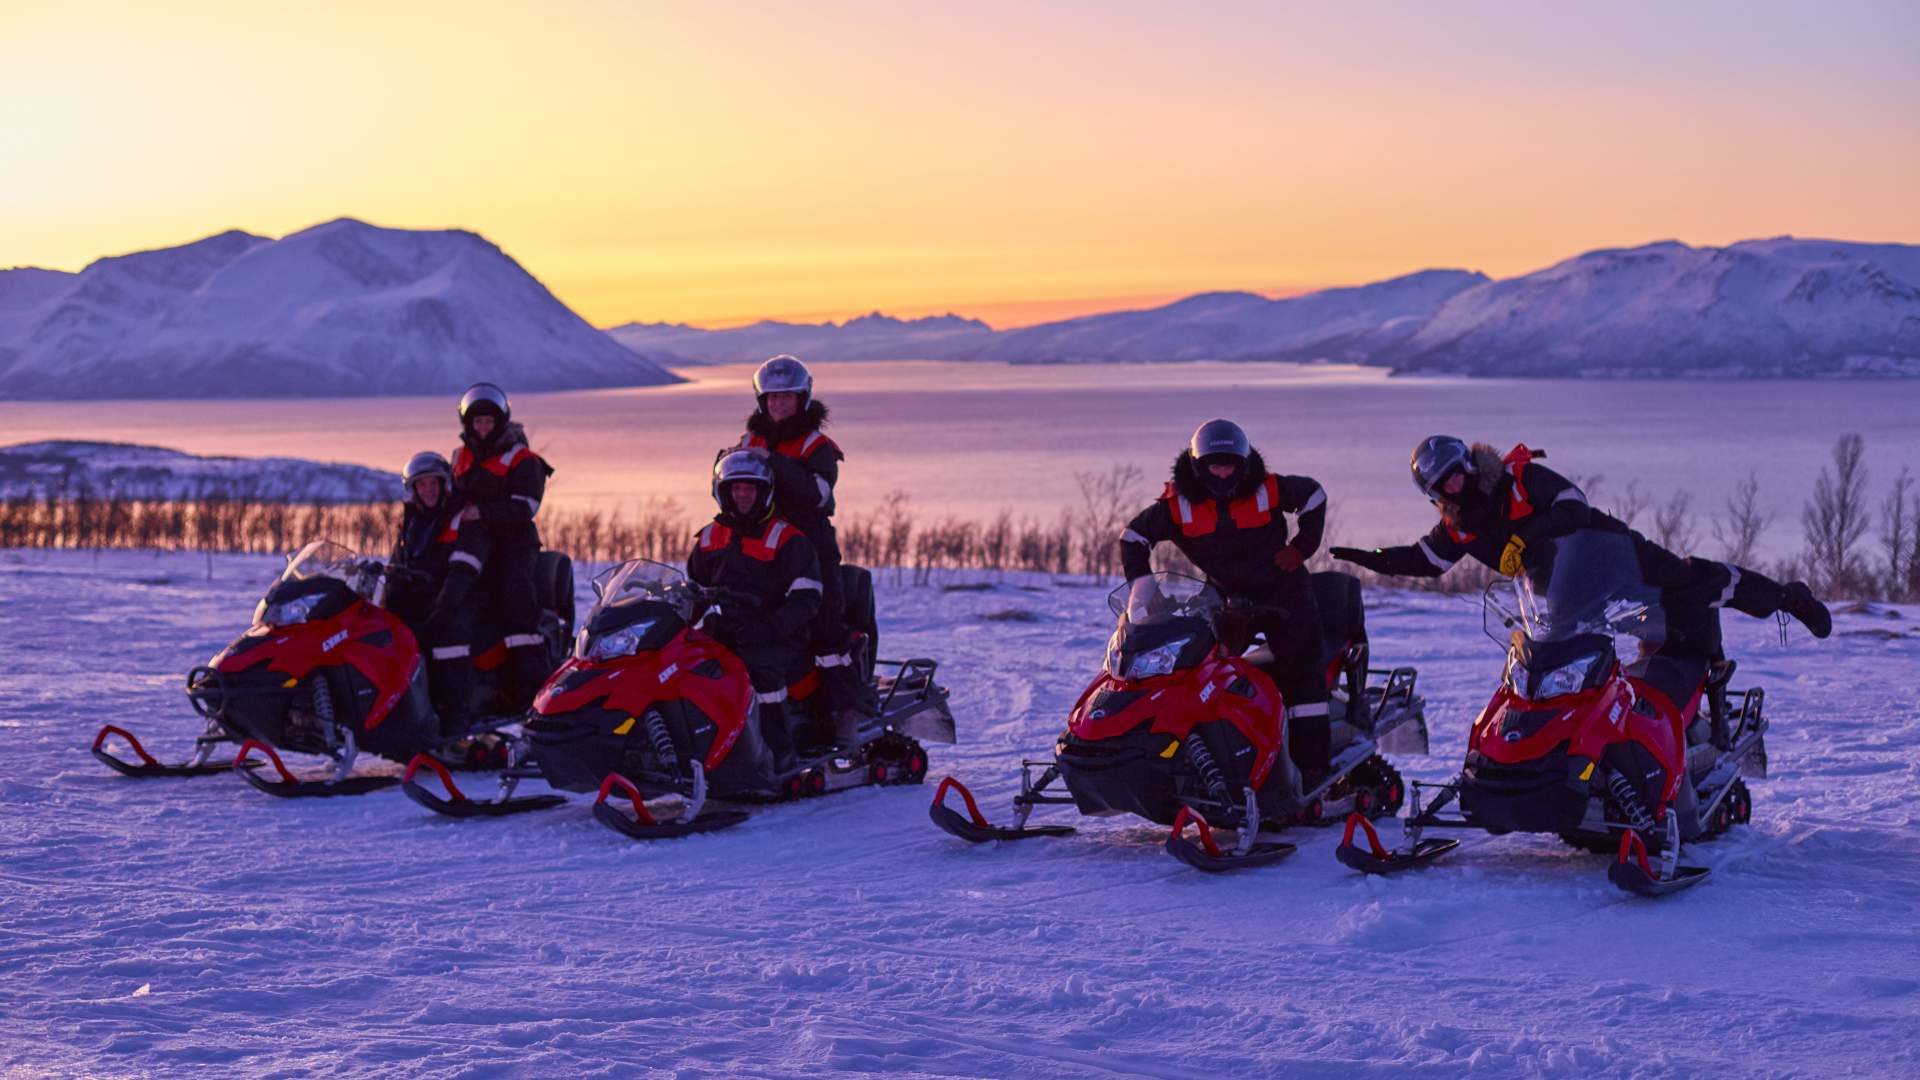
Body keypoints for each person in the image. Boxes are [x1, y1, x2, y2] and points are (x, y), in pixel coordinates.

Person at [1330, 436, 1832, 722]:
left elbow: (1574, 506)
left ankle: (1786, 597)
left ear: (1467, 463)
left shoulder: (1519, 479)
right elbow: (1425, 560)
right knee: (1561, 662)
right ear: (1436, 492)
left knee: (1689, 580)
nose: (1456, 485)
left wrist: (1525, 539)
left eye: (1457, 473)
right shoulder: (1460, 525)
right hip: (1567, 591)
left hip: (1611, 552)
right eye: (1444, 485)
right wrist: (1371, 558)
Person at [1118, 418, 1334, 785]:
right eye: (1215, 466)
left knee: (1303, 673)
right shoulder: (1178, 505)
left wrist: (1301, 548)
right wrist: (1147, 593)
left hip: (1286, 593)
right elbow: (1133, 537)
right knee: (1198, 674)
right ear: (1199, 466)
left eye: (1230, 464)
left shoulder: (1267, 488)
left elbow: (1314, 495)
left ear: (1243, 463)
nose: (1223, 473)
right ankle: (1210, 763)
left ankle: (1314, 772)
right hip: (1226, 601)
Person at [735, 355, 872, 734]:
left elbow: (819, 493)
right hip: (762, 544)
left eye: (786, 397)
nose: (779, 404)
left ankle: (846, 711)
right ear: (762, 401)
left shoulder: (816, 445)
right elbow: (733, 480)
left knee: (826, 628)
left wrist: (775, 464)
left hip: (811, 545)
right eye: (772, 397)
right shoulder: (752, 439)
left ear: (802, 398)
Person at [688, 451, 825, 775]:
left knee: (759, 670)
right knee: (683, 662)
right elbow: (692, 588)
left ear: (763, 492)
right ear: (724, 492)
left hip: (777, 631)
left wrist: (771, 627)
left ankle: (779, 753)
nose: (743, 495)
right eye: (736, 489)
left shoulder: (786, 538)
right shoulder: (709, 537)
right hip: (726, 625)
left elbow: (807, 597)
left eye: (750, 488)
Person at [449, 382, 554, 704]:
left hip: (514, 546)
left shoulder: (523, 459)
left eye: (488, 422)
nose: (483, 428)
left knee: (515, 609)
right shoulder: (460, 455)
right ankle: (478, 685)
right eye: (477, 422)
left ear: (500, 422)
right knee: (461, 605)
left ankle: (535, 692)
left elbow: (526, 507)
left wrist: (481, 511)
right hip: (472, 545)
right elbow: (451, 496)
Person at [386, 450, 490, 733]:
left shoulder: (462, 515)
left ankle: (456, 718)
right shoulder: (410, 522)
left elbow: (465, 567)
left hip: (462, 596)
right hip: (422, 597)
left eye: (434, 483)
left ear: (444, 485)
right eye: (422, 485)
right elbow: (397, 564)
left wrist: (445, 606)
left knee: (446, 637)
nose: (428, 490)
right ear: (414, 490)